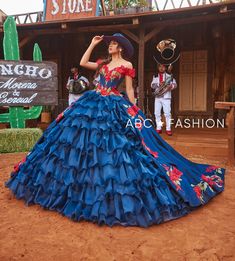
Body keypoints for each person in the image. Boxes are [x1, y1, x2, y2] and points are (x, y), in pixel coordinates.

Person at [5, 33, 225, 228]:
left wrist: (135, 109)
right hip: (91, 103)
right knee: (77, 144)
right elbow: (83, 62)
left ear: (120, 47)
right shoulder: (102, 63)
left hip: (113, 104)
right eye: (109, 44)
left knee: (115, 149)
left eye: (112, 44)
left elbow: (129, 89)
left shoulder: (127, 65)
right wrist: (92, 44)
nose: (109, 46)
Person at [151, 63, 177, 136]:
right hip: (158, 97)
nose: (161, 68)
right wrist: (159, 84)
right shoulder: (155, 76)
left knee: (167, 114)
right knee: (157, 113)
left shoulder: (170, 76)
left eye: (163, 67)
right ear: (158, 68)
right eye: (160, 67)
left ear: (165, 68)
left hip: (166, 97)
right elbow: (152, 85)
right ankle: (158, 127)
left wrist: (170, 86)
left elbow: (175, 85)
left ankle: (168, 129)